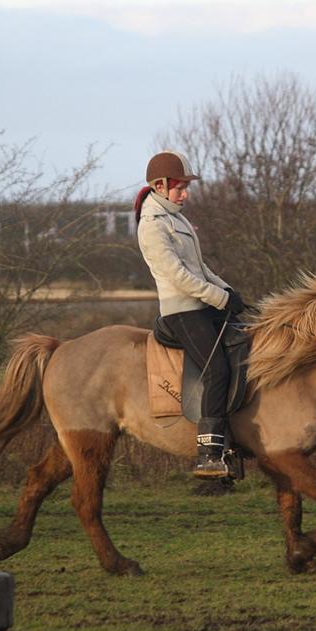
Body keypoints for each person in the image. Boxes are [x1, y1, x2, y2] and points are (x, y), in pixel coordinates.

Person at [134, 150, 245, 479]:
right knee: (217, 370)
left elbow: (201, 267)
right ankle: (209, 454)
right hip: (181, 311)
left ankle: (236, 441)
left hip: (202, 304)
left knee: (243, 349)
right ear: (160, 185)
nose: (186, 193)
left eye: (186, 187)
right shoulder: (152, 226)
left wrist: (228, 291)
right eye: (180, 187)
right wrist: (219, 299)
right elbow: (179, 276)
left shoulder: (176, 217)